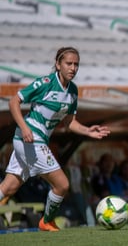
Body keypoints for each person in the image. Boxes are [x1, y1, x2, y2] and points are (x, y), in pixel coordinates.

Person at [0, 47, 110, 231]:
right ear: (58, 64)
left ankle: (46, 221)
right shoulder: (45, 83)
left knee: (8, 187)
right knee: (62, 184)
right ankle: (47, 221)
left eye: (76, 64)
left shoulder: (73, 91)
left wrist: (87, 131)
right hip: (30, 139)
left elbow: (70, 123)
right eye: (69, 63)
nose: (73, 68)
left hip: (32, 141)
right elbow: (13, 102)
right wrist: (25, 127)